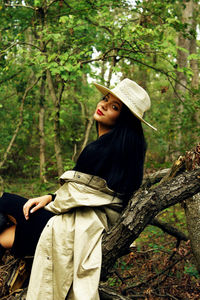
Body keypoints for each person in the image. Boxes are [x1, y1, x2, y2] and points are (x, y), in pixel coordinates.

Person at [0, 78, 156, 299]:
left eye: (114, 107)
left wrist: (54, 200)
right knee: (6, 227)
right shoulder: (118, 148)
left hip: (70, 225)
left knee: (5, 203)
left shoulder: (104, 149)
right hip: (74, 219)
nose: (102, 105)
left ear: (124, 119)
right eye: (105, 99)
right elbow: (84, 192)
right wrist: (50, 196)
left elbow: (85, 195)